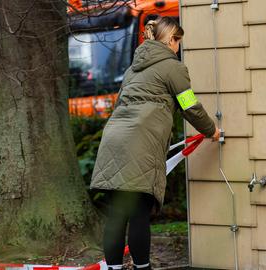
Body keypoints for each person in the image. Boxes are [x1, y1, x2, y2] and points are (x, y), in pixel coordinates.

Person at [90, 17, 220, 270]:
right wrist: (211, 130)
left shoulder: (132, 69)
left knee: (117, 213)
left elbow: (120, 104)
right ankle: (142, 267)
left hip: (114, 137)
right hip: (141, 141)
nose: (178, 48)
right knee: (139, 210)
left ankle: (114, 268)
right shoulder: (173, 67)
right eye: (178, 42)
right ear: (171, 39)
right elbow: (189, 105)